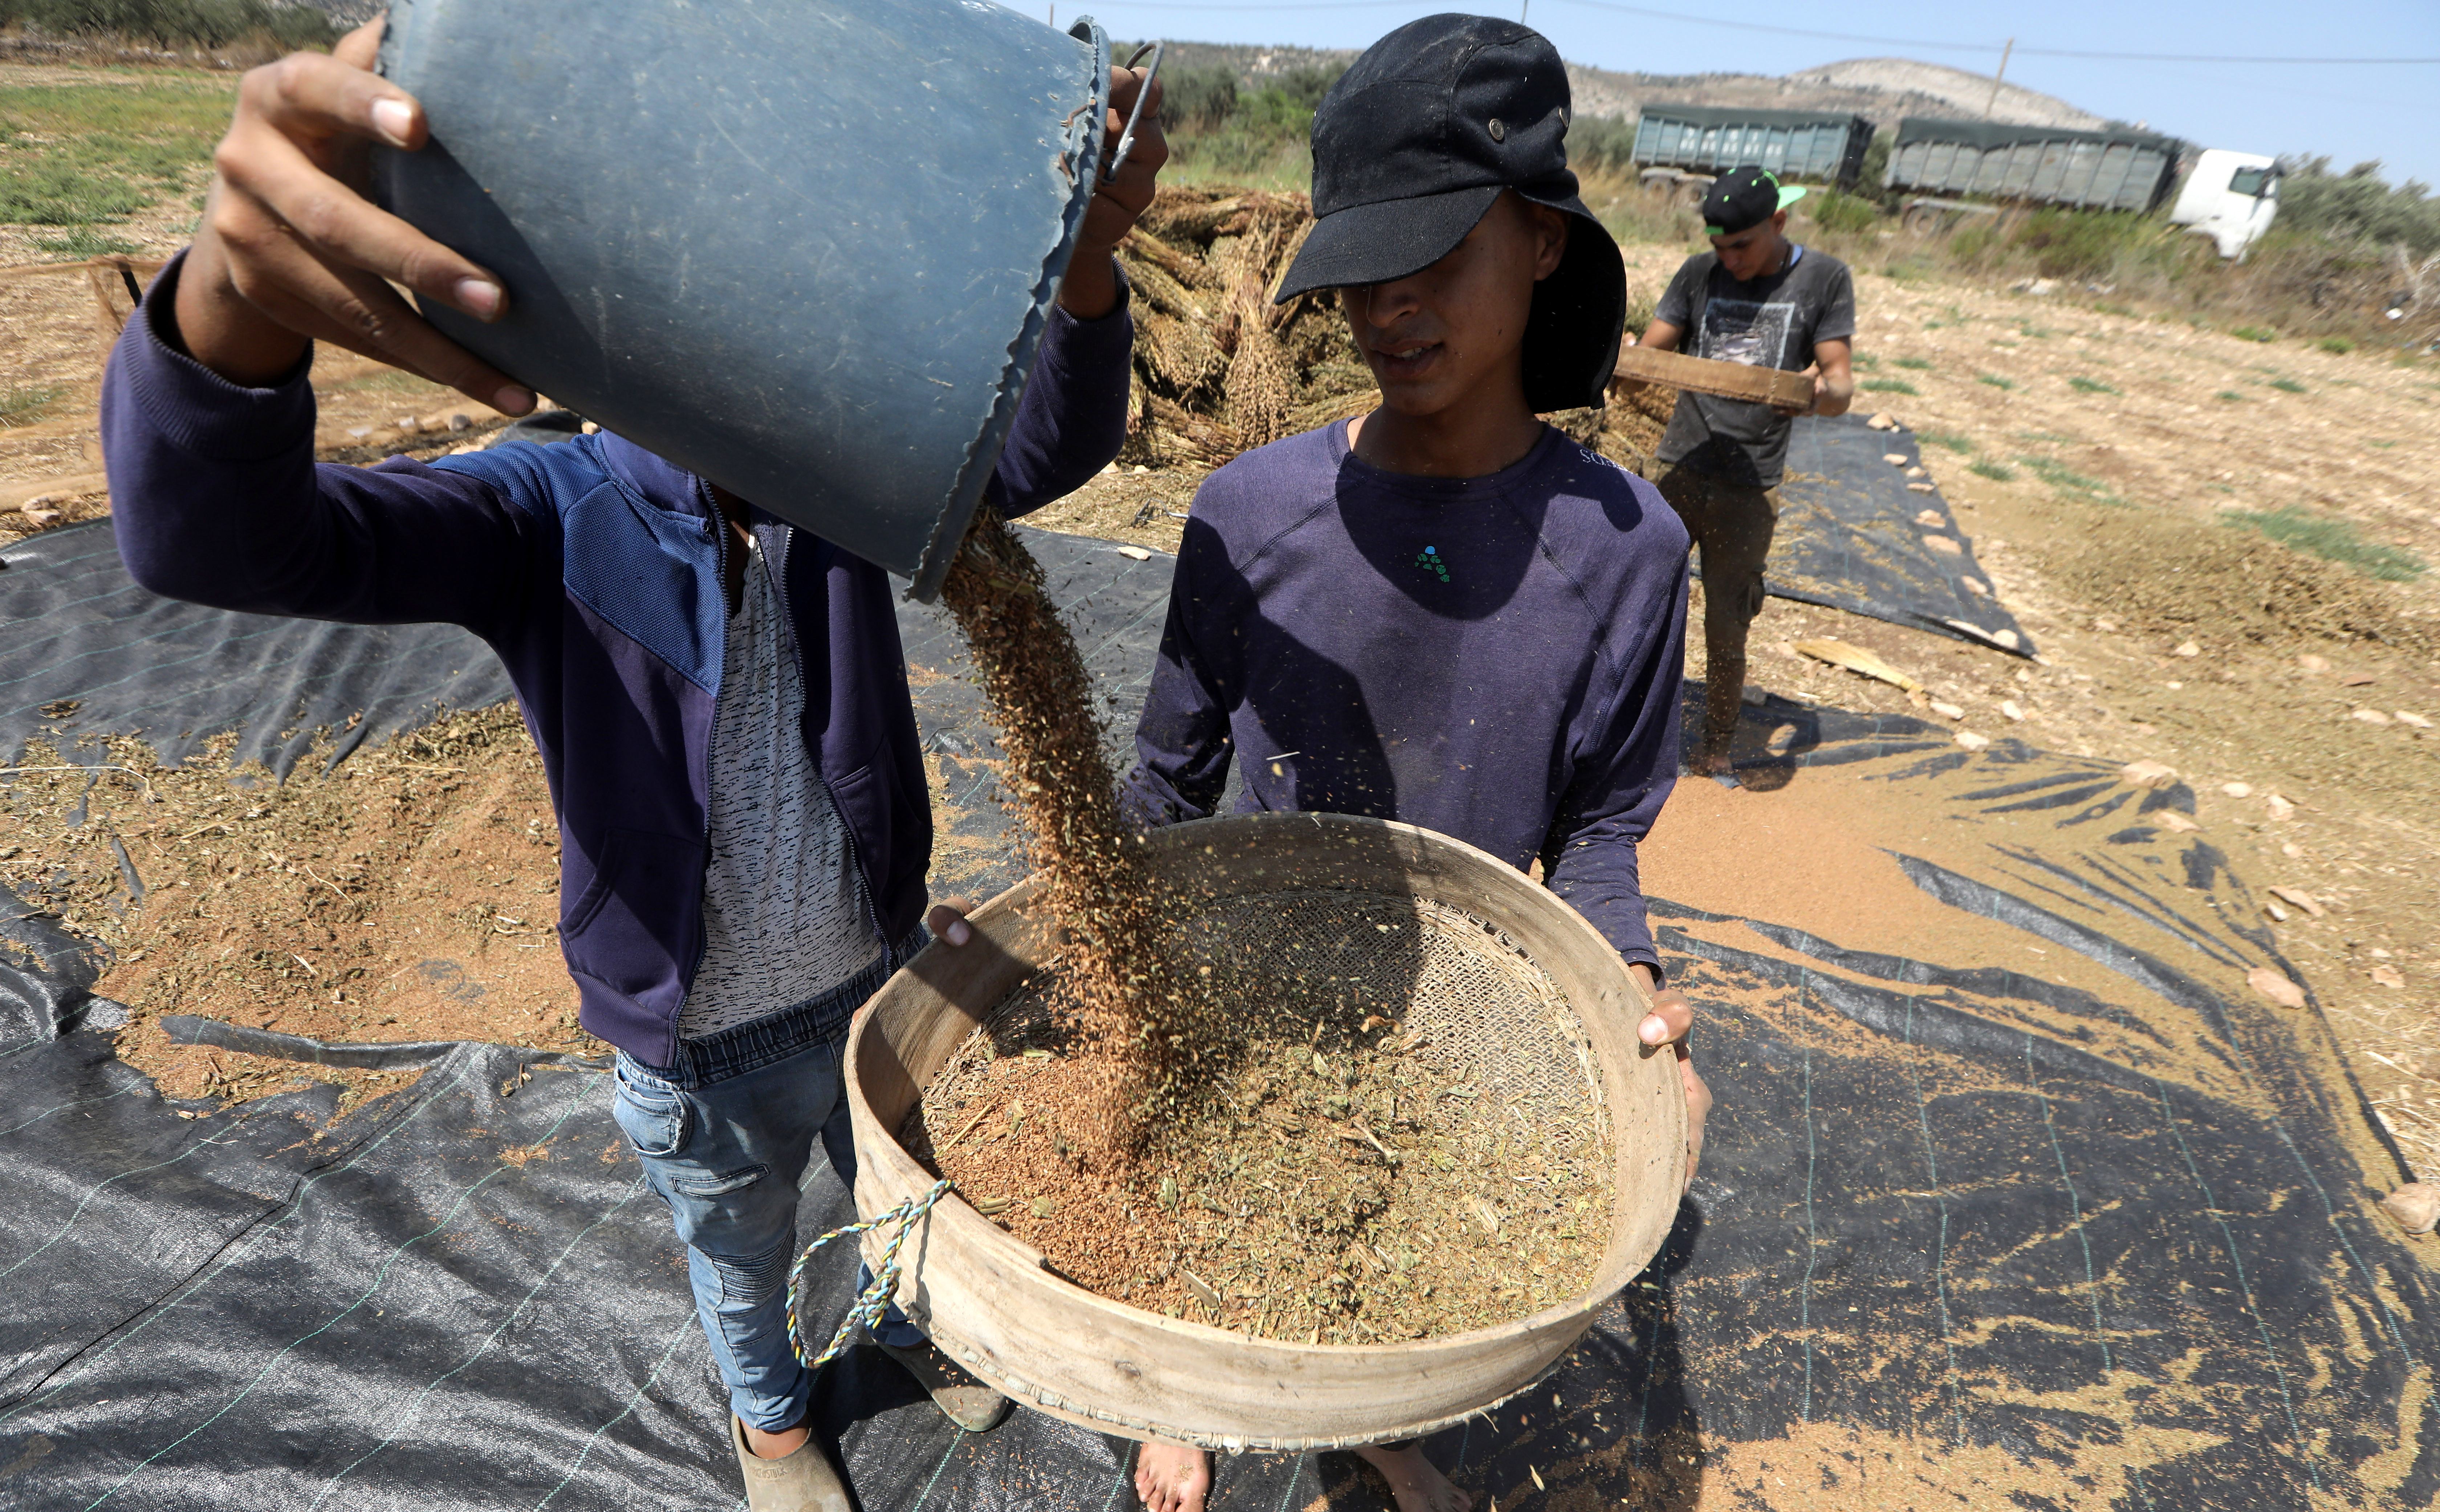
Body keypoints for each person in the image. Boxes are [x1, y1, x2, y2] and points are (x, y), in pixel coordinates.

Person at [97, 19, 1162, 1512]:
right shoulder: (550, 510)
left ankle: (919, 1333)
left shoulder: (842, 474)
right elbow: (218, 536)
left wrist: (1092, 260)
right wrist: (228, 297)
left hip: (871, 986)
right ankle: (774, 1428)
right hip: (697, 1038)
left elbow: (1042, 443)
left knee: (898, 1200)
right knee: (737, 1251)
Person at [1114, 17, 1707, 1512]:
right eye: (1366, 267)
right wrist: (1085, 927)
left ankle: (1376, 1425)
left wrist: (1622, 976)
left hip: (1468, 996)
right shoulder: (1251, 516)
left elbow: (1601, 832)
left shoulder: (1630, 552)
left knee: (1392, 1234)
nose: (1391, 306)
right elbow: (1167, 782)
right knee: (1221, 1187)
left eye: (1438, 258)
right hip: (1248, 962)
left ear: (1546, 241)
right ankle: (1178, 1388)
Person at [1628, 166, 1856, 776]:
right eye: (1718, 248)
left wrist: (1815, 395)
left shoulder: (1824, 279)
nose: (1728, 260)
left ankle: (1715, 749)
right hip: (1682, 466)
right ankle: (1622, 741)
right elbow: (1653, 354)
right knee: (1641, 607)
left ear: (1778, 223)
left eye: (1742, 247)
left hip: (1750, 484)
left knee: (1728, 624)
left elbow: (1839, 384)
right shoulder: (1699, 275)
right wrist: (1624, 365)